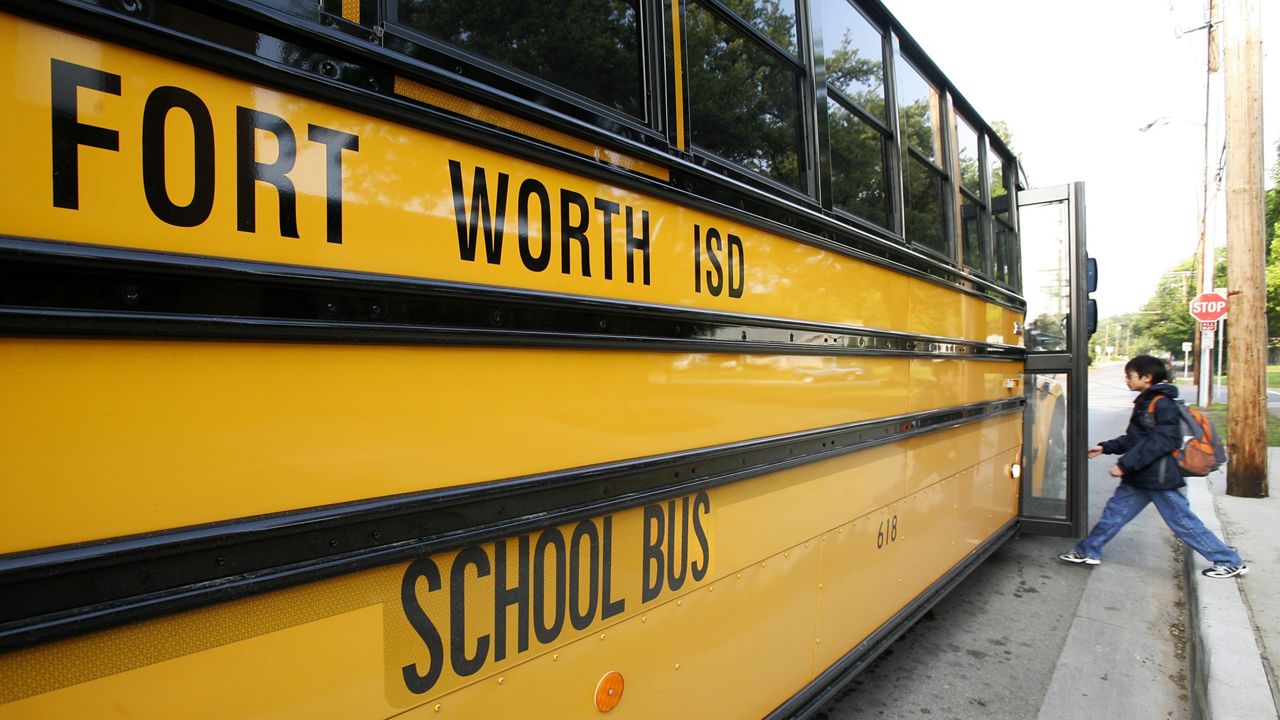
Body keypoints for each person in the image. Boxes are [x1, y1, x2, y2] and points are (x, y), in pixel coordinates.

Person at [1058, 354, 1248, 578]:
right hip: (1143, 476)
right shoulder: (1148, 400)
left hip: (1158, 477)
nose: (1126, 380)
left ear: (1146, 377)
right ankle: (1087, 550)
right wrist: (1106, 447)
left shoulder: (1161, 403)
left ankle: (1228, 560)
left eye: (1129, 376)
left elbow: (1164, 441)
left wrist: (1125, 465)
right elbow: (1135, 438)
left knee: (1182, 522)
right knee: (1114, 514)